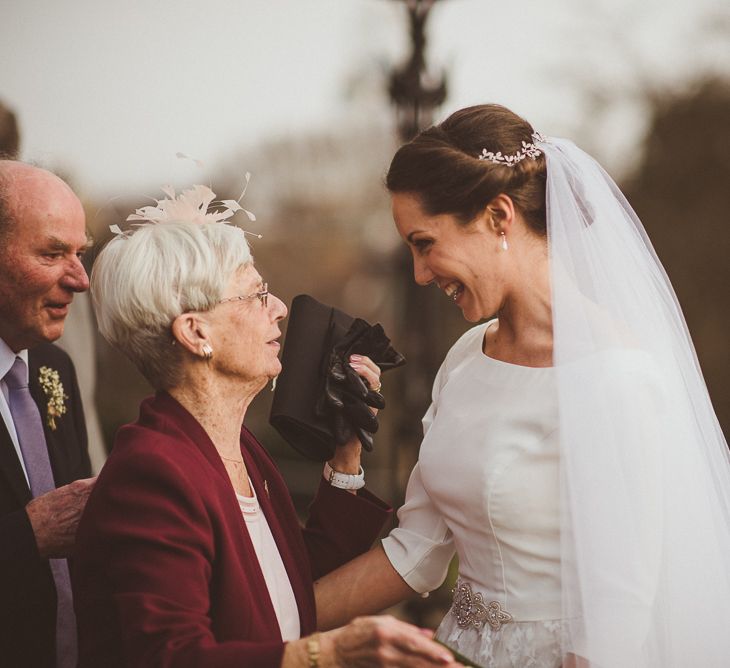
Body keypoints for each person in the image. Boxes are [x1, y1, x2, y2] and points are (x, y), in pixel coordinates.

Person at [313, 104, 730, 667]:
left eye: (425, 243)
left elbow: (618, 611)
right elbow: (416, 550)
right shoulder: (467, 357)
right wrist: (262, 628)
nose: (420, 273)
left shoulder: (615, 377)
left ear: (498, 216)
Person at [72, 185, 464, 668]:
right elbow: (171, 656)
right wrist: (328, 652)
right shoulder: (151, 475)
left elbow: (288, 587)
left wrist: (346, 455)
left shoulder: (238, 447)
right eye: (255, 294)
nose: (278, 306)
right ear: (196, 333)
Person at [0, 160, 95, 668]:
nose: (80, 279)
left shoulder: (54, 367)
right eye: (53, 253)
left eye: (81, 253)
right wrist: (26, 536)